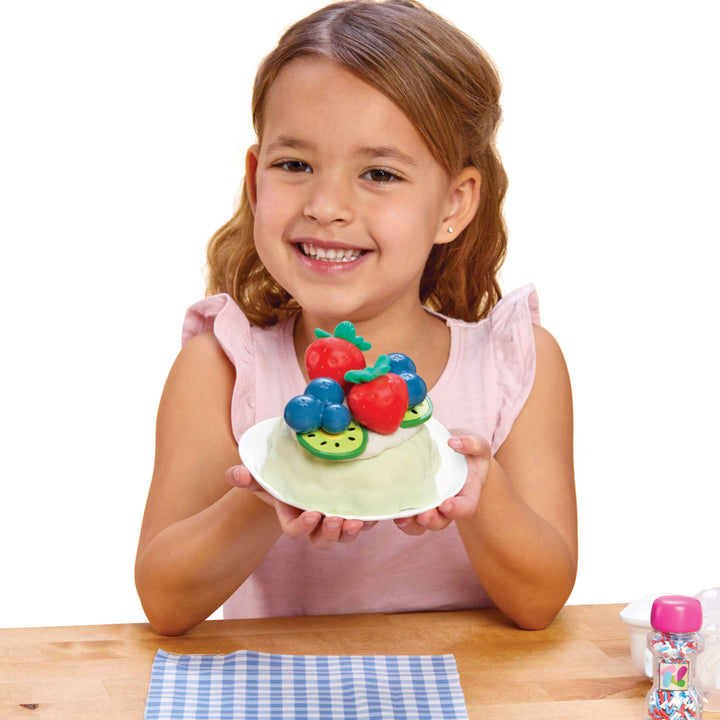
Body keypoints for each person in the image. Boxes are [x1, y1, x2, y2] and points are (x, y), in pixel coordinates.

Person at [135, 0, 576, 637]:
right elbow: (164, 602)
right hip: (280, 694)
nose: (327, 206)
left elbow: (540, 603)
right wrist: (268, 490)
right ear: (257, 182)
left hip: (468, 695)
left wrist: (485, 495)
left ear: (454, 204)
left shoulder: (514, 363)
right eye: (296, 165)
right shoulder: (224, 365)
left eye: (378, 173)